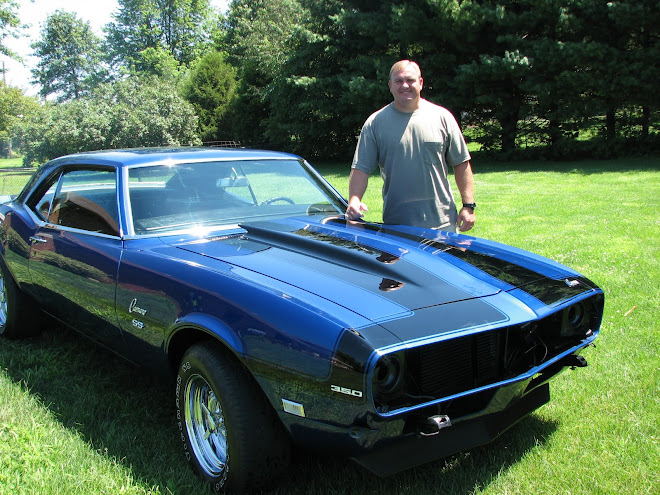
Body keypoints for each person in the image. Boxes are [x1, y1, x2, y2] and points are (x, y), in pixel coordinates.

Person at [346, 60, 476, 232]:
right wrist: (354, 199)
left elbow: (461, 163)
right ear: (390, 85)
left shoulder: (442, 117)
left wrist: (468, 205)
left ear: (420, 83)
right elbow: (361, 168)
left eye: (410, 80)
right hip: (397, 225)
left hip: (443, 223)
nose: (404, 85)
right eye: (399, 81)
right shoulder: (375, 123)